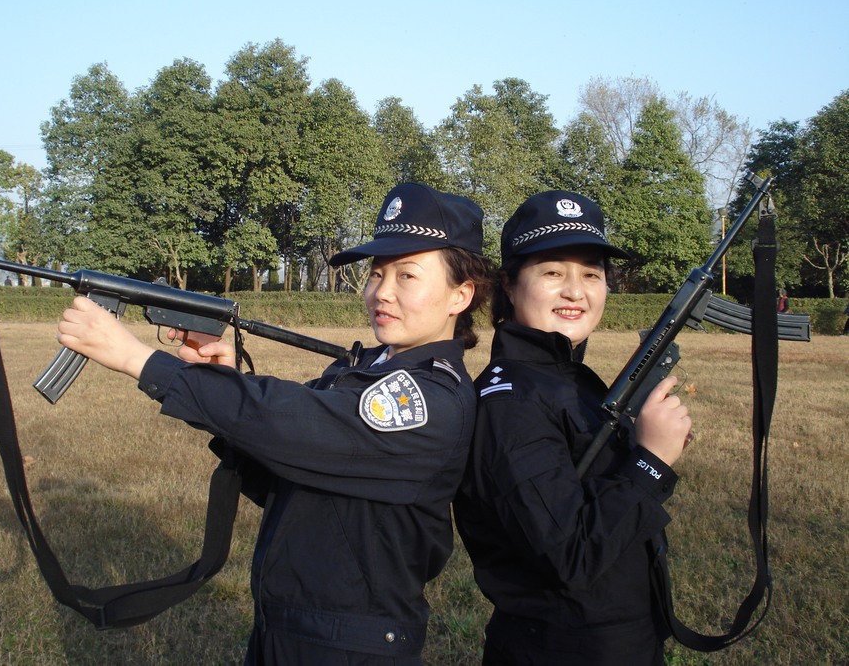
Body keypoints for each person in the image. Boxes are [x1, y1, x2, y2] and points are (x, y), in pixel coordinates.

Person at [57, 182, 492, 665]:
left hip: (349, 647)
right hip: (288, 627)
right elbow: (284, 467)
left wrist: (138, 359)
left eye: (407, 275)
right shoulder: (365, 370)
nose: (381, 292)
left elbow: (293, 424)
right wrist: (224, 383)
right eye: (376, 274)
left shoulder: (428, 399)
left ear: (460, 295)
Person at [453, 190, 693, 666]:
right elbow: (570, 555)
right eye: (552, 272)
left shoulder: (565, 378)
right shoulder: (511, 402)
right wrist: (650, 461)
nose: (575, 291)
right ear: (509, 285)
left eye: (591, 274)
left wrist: (639, 442)